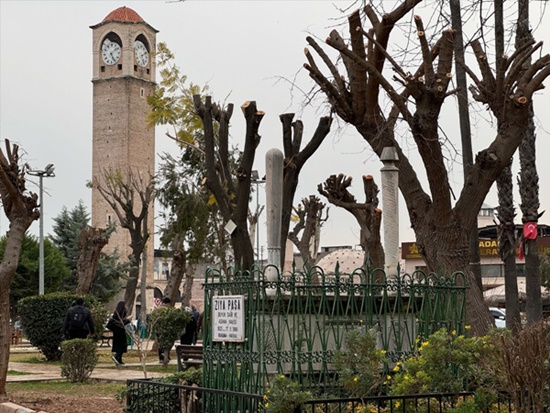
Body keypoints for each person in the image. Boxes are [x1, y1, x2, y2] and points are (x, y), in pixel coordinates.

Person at [106, 301, 130, 365]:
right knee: (122, 344)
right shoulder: (122, 313)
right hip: (120, 331)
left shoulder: (116, 314)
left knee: (118, 345)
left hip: (116, 332)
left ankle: (119, 360)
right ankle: (117, 356)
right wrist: (128, 320)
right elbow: (122, 323)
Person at [156, 297, 172, 363]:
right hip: (166, 329)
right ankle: (166, 356)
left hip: (158, 329)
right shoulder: (167, 310)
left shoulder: (157, 309)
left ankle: (161, 357)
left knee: (160, 344)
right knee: (166, 343)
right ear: (168, 303)